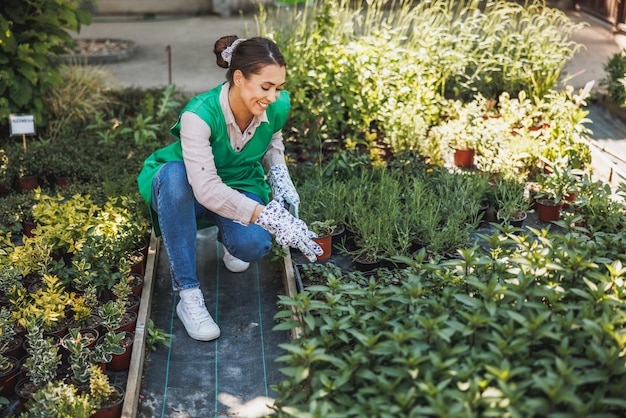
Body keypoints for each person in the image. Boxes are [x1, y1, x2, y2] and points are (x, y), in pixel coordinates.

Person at [137, 35, 322, 342]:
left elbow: (272, 140)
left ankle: (228, 236)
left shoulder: (275, 105)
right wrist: (270, 217)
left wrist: (279, 174)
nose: (273, 96)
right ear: (239, 78)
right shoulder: (199, 115)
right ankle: (188, 294)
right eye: (265, 87)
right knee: (174, 178)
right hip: (187, 187)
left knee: (253, 246)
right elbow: (207, 189)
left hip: (239, 181)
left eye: (278, 87)